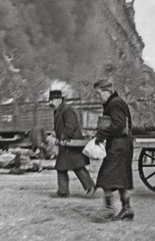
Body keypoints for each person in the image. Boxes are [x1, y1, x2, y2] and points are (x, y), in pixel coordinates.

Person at [93, 79, 134, 221]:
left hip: (119, 146)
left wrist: (101, 134)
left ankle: (108, 210)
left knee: (106, 178)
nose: (98, 97)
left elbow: (118, 125)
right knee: (121, 179)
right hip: (120, 145)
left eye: (99, 94)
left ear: (108, 91)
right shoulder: (114, 102)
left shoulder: (115, 103)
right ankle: (127, 209)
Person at [49, 90, 96, 198]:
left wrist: (63, 137)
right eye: (50, 100)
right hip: (66, 143)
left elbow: (70, 126)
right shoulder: (58, 110)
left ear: (59, 100)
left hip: (72, 143)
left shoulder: (67, 110)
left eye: (52, 100)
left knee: (77, 166)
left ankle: (90, 187)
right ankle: (63, 191)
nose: (50, 103)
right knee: (62, 167)